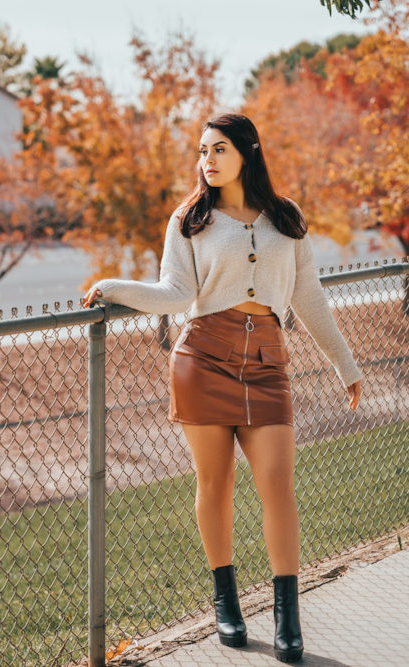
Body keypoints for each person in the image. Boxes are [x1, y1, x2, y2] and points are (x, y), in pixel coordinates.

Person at [81, 112, 362, 664]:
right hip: (203, 358)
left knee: (278, 485)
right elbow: (176, 293)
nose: (206, 160)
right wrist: (112, 287)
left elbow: (310, 300)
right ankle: (226, 602)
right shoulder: (190, 219)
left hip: (267, 362)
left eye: (218, 149)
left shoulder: (286, 218)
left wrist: (345, 366)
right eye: (202, 151)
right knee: (216, 485)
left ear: (248, 152)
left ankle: (287, 615)